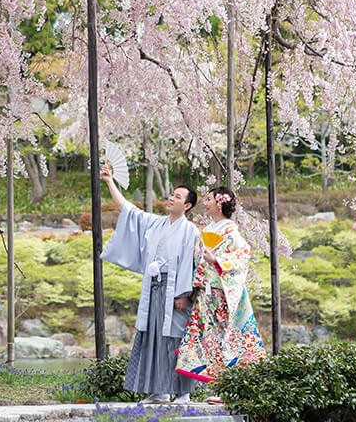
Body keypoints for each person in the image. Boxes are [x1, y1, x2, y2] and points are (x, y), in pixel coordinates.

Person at [100, 163, 199, 404]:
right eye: (172, 194)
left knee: (175, 339)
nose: (171, 198)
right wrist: (109, 181)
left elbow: (192, 265)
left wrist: (186, 294)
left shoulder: (190, 231)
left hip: (176, 292)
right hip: (154, 288)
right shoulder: (156, 223)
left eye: (177, 196)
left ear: (187, 205)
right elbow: (128, 210)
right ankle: (159, 391)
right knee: (153, 337)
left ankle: (184, 391)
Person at [175, 186, 266, 386]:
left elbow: (243, 255)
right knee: (208, 341)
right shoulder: (207, 230)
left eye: (208, 199)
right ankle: (216, 387)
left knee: (223, 339)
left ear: (219, 203)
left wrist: (216, 259)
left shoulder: (230, 229)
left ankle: (225, 387)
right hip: (205, 294)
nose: (205, 203)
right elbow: (198, 261)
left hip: (221, 294)